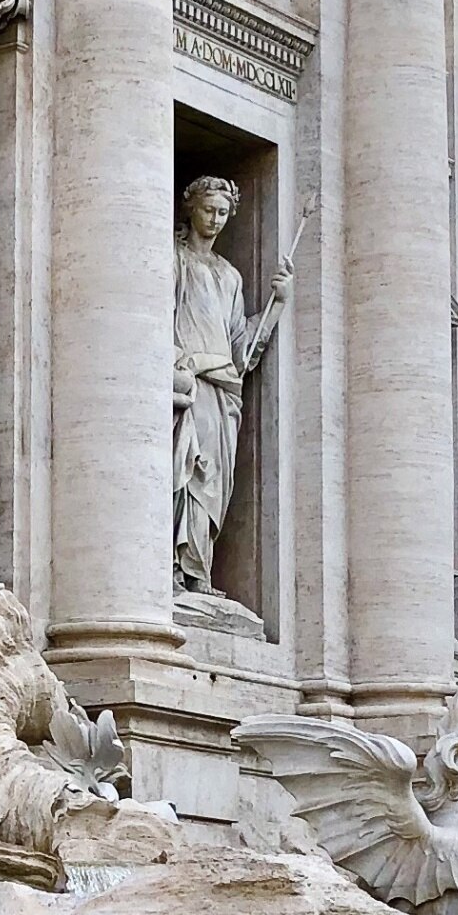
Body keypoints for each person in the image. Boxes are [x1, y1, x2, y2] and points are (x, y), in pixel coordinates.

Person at [170, 172, 288, 600]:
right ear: (191, 208)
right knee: (187, 472)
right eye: (208, 210)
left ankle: (198, 570)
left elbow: (241, 347)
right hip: (192, 383)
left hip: (223, 393)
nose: (216, 220)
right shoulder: (174, 259)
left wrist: (275, 306)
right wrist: (186, 364)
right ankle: (175, 570)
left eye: (223, 213)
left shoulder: (230, 276)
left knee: (214, 482)